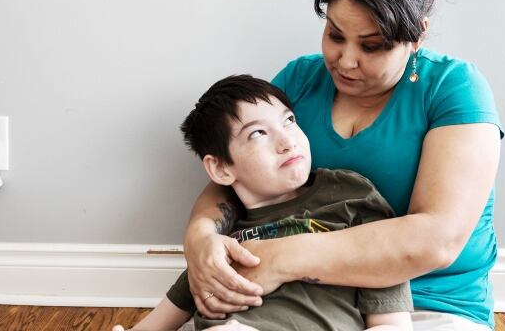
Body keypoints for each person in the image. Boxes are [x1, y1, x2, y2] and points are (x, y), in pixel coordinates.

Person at [181, 0, 504, 330]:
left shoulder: (454, 88)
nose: (345, 61)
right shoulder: (300, 78)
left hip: (428, 302)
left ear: (417, 36)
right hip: (306, 300)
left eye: (372, 46)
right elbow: (233, 176)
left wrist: (281, 258)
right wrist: (200, 237)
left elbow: (436, 239)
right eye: (335, 35)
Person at [114, 75, 413, 331]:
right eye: (258, 133)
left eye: (289, 121)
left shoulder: (348, 195)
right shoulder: (225, 242)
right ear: (220, 169)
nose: (287, 141)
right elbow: (158, 320)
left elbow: (388, 294)